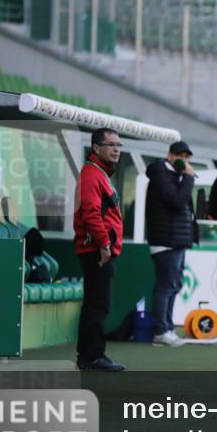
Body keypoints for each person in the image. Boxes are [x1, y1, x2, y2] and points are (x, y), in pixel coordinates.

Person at [74, 128, 126, 372]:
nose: (116, 149)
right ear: (96, 147)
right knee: (97, 306)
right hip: (96, 251)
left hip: (99, 249)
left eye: (119, 145)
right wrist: (104, 244)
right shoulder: (92, 174)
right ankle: (93, 356)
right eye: (111, 144)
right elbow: (91, 213)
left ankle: (89, 356)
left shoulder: (99, 174)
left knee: (96, 304)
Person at [145, 140, 199, 347]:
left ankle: (167, 328)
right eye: (180, 157)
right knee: (165, 286)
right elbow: (177, 201)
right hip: (166, 240)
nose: (184, 161)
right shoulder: (161, 176)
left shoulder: (174, 176)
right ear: (170, 156)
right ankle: (160, 331)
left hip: (176, 240)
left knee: (174, 285)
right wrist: (188, 177)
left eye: (187, 158)